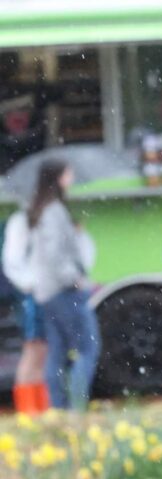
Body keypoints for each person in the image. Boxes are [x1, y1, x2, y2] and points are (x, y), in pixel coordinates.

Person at [28, 159, 101, 412]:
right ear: (58, 177)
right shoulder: (54, 211)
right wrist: (75, 279)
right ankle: (76, 408)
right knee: (88, 348)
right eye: (68, 173)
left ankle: (58, 409)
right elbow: (55, 255)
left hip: (48, 292)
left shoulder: (43, 209)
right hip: (64, 291)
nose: (71, 178)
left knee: (57, 352)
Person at [2, 208, 48, 414]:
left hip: (38, 293)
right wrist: (31, 284)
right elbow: (12, 262)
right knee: (33, 349)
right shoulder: (21, 220)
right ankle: (29, 409)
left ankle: (38, 408)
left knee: (40, 352)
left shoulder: (38, 217)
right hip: (32, 294)